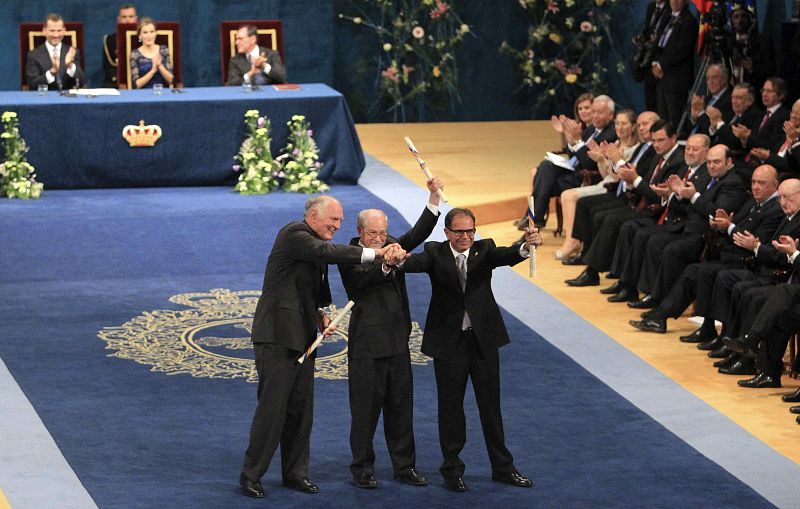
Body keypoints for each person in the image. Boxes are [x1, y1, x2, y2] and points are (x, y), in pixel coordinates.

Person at [239, 196, 405, 499]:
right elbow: (327, 252)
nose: (337, 226)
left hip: (303, 338)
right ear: (314, 216)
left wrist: (321, 316)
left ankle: (295, 474)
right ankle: (251, 475)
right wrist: (376, 253)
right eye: (334, 220)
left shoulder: (313, 247)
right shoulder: (295, 235)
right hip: (277, 337)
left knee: (301, 412)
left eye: (340, 221)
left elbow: (310, 291)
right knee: (272, 410)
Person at [400, 208, 541, 492]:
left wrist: (526, 246)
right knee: (451, 410)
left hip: (483, 343)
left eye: (470, 231)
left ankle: (503, 467)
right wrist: (395, 257)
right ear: (447, 233)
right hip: (449, 345)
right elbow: (414, 263)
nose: (466, 237)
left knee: (491, 407)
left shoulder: (484, 249)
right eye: (460, 232)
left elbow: (506, 255)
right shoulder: (434, 253)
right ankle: (452, 470)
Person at [338, 178, 443, 490]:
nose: (381, 239)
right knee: (365, 412)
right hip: (367, 346)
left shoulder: (390, 244)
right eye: (374, 234)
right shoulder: (349, 254)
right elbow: (361, 284)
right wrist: (385, 266)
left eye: (383, 233)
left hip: (397, 343)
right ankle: (362, 468)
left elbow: (415, 236)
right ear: (360, 232)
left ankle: (404, 466)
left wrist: (433, 199)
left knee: (400, 409)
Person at [628, 164, 781, 334]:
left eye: (761, 183)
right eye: (753, 182)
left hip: (749, 263)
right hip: (732, 255)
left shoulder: (775, 209)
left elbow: (751, 237)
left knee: (705, 271)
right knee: (694, 270)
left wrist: (728, 227)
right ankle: (668, 318)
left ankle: (710, 330)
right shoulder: (753, 202)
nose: (755, 187)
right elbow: (736, 225)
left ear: (775, 185)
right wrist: (722, 225)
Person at [555, 109, 641, 260]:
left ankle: (573, 241)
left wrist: (609, 160)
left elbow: (618, 178)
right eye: (618, 123)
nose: (619, 127)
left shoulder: (635, 149)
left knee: (569, 196)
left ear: (633, 126)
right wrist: (601, 160)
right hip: (605, 182)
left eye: (624, 124)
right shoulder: (615, 144)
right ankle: (574, 241)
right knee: (569, 196)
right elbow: (606, 174)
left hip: (615, 188)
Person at [531, 95, 617, 228]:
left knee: (543, 182)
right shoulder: (591, 129)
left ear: (611, 115)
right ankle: (535, 220)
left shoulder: (611, 133)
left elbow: (590, 163)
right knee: (545, 166)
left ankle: (533, 220)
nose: (594, 116)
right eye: (593, 112)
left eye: (599, 112)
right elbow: (573, 153)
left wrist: (577, 140)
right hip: (575, 171)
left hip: (589, 176)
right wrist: (570, 137)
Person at [650, 0, 698, 126]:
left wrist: (661, 65)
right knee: (663, 118)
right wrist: (655, 63)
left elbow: (681, 50)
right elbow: (657, 41)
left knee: (675, 118)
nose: (675, 2)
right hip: (661, 78)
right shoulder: (666, 17)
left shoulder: (689, 21)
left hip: (677, 78)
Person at [25, 13, 85, 91]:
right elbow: (32, 85)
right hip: (44, 99)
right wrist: (51, 72)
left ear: (64, 30)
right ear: (44, 31)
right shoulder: (33, 55)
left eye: (59, 30)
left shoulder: (72, 52)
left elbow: (81, 82)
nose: (56, 35)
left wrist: (70, 66)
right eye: (52, 31)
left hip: (69, 99)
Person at [129, 17, 173, 89]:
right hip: (143, 95)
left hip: (164, 93)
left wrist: (160, 66)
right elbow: (136, 85)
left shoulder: (163, 49)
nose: (149, 36)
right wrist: (152, 71)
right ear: (140, 36)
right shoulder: (135, 54)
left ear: (155, 33)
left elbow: (171, 80)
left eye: (152, 32)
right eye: (145, 32)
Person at [102, 4, 137, 88]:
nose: (127, 20)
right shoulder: (110, 40)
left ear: (136, 19)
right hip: (115, 81)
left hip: (139, 79)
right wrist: (119, 82)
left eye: (131, 16)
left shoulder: (141, 38)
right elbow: (108, 66)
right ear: (119, 19)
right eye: (124, 17)